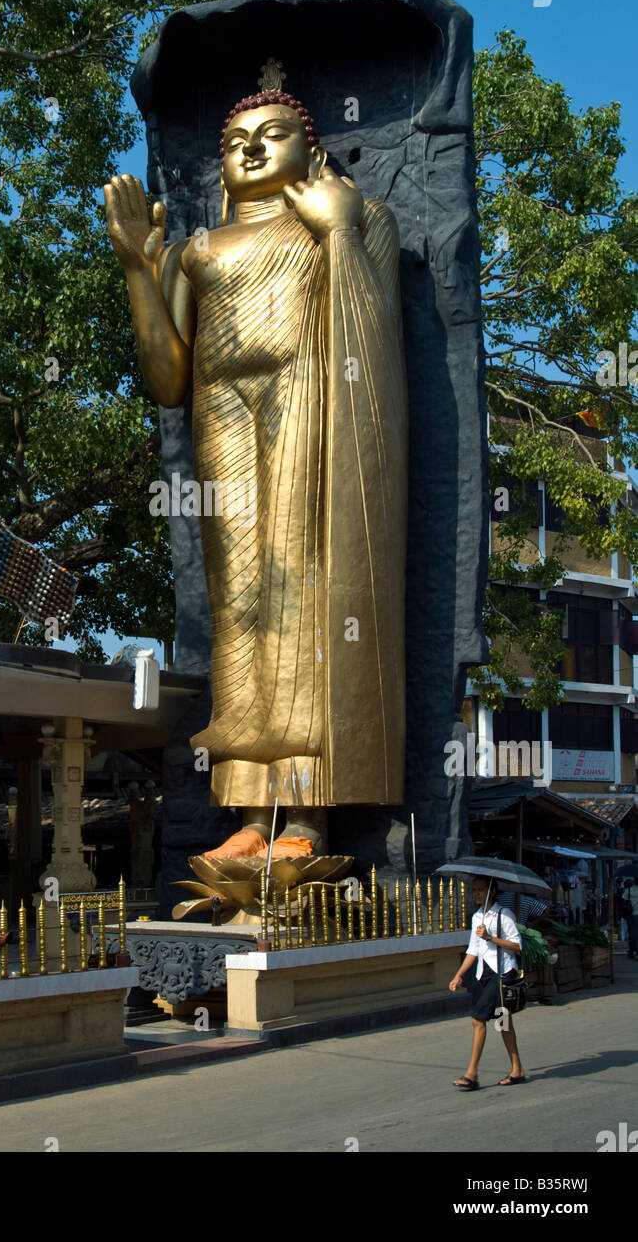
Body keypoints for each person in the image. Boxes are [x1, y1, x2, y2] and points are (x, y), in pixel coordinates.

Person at [104, 62, 407, 859]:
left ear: (313, 151)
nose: (250, 149)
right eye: (235, 140)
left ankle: (307, 814)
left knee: (303, 586)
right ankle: (248, 808)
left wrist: (338, 229)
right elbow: (167, 380)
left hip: (309, 398)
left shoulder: (355, 216)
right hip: (221, 411)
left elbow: (375, 335)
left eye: (273, 135)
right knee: (239, 603)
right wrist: (139, 268)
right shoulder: (195, 250)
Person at [449, 877, 526, 1088]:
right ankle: (517, 1069)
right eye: (474, 890)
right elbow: (473, 950)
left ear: (492, 892)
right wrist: (459, 975)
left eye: (481, 889)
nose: (477, 893)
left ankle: (471, 1074)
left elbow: (517, 945)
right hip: (484, 974)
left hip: (502, 973)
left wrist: (490, 938)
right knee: (503, 1020)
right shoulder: (477, 917)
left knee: (478, 1018)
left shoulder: (504, 914)